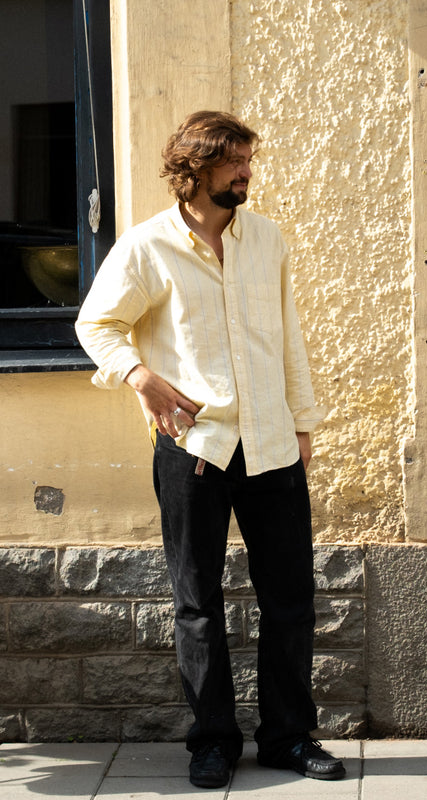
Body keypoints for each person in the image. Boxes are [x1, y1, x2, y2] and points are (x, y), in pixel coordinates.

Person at [75, 110, 344, 788]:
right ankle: (213, 741)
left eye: (249, 160)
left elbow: (288, 338)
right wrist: (140, 376)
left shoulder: (268, 240)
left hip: (274, 444)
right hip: (193, 445)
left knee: (290, 601)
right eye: (234, 163)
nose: (247, 172)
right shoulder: (146, 247)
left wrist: (303, 424)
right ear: (194, 169)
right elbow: (98, 324)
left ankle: (288, 738)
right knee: (197, 602)